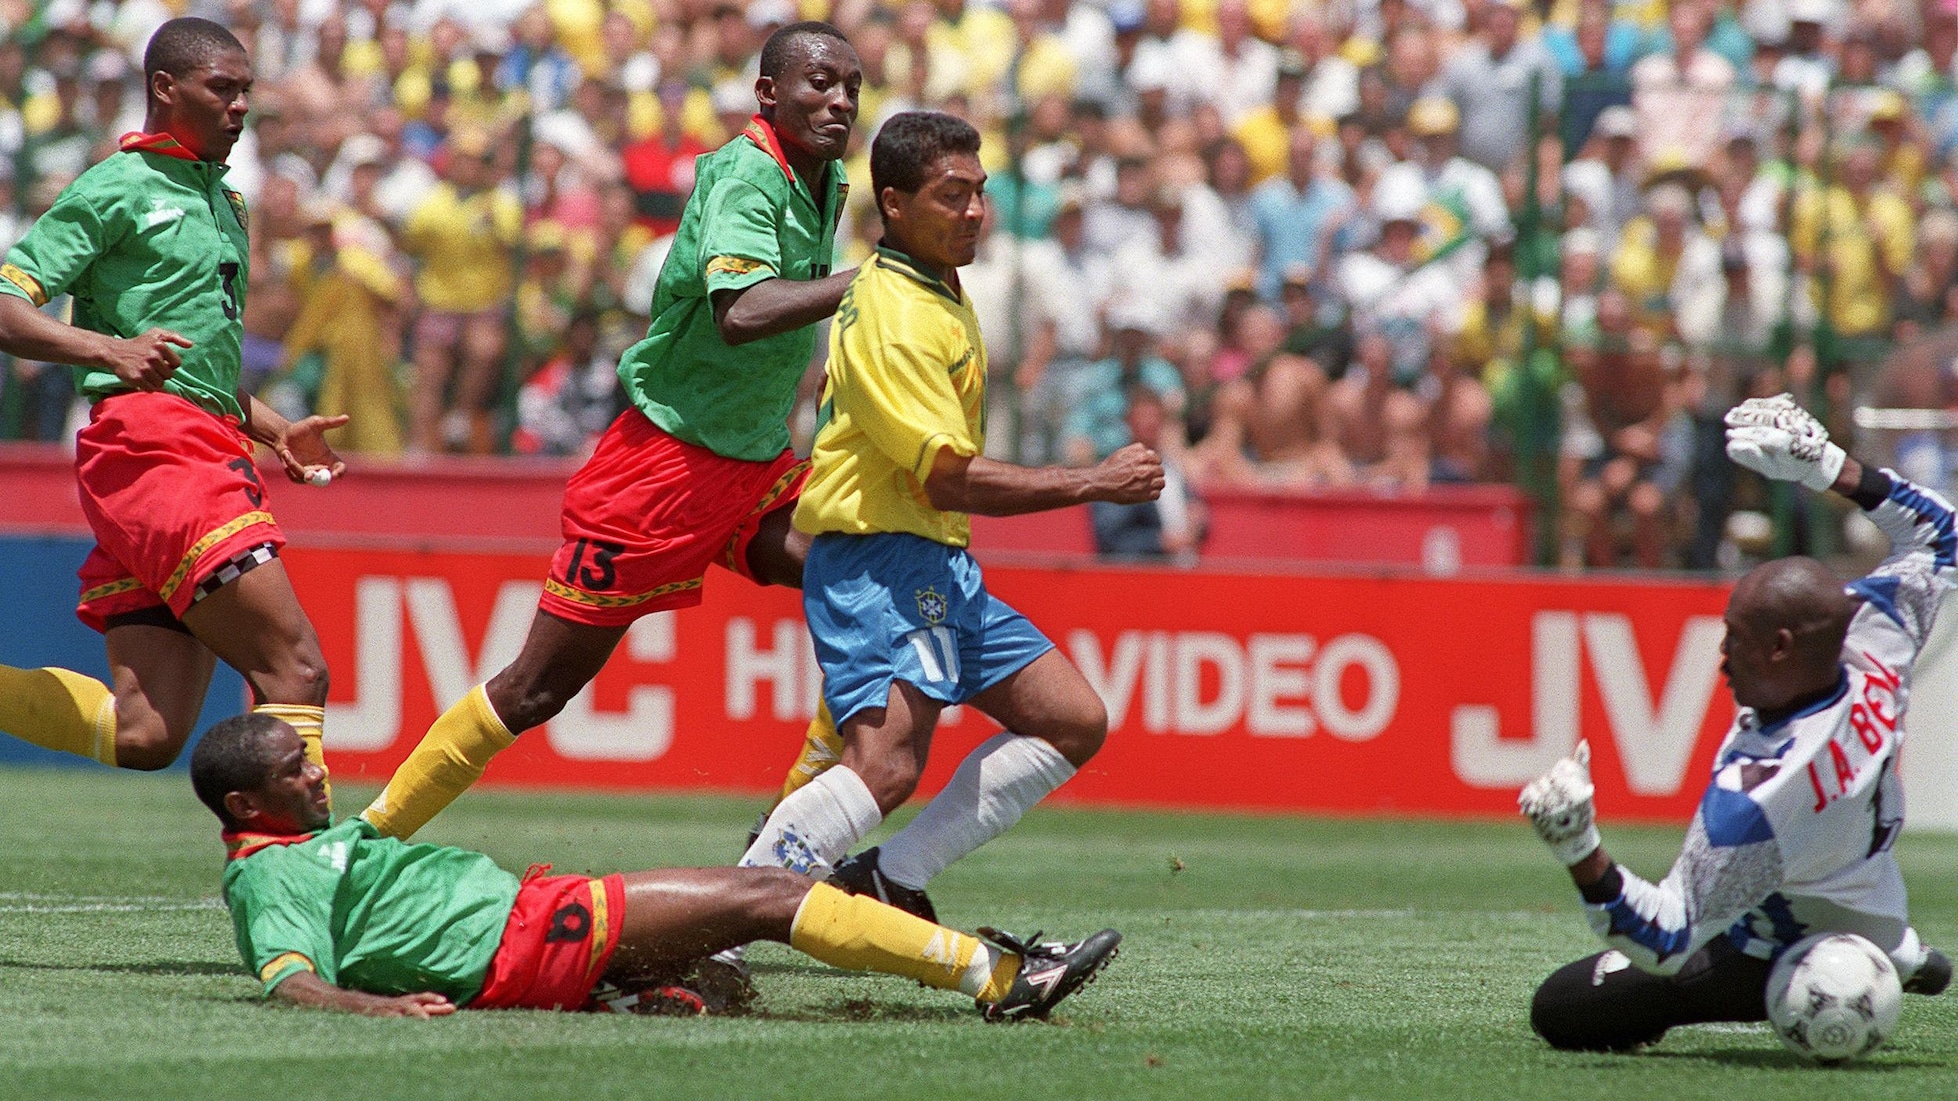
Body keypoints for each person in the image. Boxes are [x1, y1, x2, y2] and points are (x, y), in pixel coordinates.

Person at [360, 22, 863, 844]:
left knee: (865, 581)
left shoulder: (828, 178)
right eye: (820, 83)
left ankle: (781, 843)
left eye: (851, 86)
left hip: (753, 464)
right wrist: (869, 280)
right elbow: (740, 313)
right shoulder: (747, 175)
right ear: (768, 93)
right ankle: (366, 838)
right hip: (662, 469)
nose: (839, 100)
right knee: (535, 689)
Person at [736, 111, 1163, 919]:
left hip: (935, 562)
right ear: (894, 205)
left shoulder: (935, 283)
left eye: (978, 192)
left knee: (1071, 720)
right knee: (885, 766)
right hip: (880, 562)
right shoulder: (897, 314)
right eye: (950, 194)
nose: (973, 211)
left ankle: (890, 876)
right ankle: (726, 919)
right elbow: (946, 478)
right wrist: (1091, 481)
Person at [1519, 394, 1954, 1052]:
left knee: (1562, 1008)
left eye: (1735, 638)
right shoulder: (1871, 637)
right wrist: (1827, 466)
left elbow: (1665, 937)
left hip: (1773, 942)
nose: (1721, 655)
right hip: (1861, 888)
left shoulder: (1760, 796)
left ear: (1781, 647)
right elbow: (1943, 535)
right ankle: (1897, 950)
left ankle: (1855, 962)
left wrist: (1579, 847)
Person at [194, 712, 1119, 1021]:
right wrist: (378, 1007)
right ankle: (1000, 976)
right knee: (771, 896)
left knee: (731, 969)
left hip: (536, 927)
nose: (316, 772)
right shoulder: (268, 875)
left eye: (308, 758)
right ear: (243, 804)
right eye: (293, 770)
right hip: (536, 937)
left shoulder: (302, 843)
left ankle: (631, 991)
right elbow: (288, 978)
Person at [0, 19, 346, 787]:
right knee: (296, 669)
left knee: (146, 731)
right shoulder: (116, 186)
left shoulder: (227, 202)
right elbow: (6, 305)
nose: (240, 105)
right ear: (165, 88)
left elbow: (197, 362)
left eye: (246, 90)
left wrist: (275, 428)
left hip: (200, 438)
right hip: (155, 446)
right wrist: (109, 351)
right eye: (222, 88)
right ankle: (298, 853)